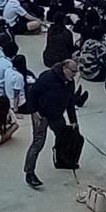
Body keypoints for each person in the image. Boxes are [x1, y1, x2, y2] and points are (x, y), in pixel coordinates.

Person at [23, 56, 79, 190]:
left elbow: (70, 102)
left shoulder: (70, 82)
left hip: (56, 115)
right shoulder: (47, 77)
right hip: (41, 115)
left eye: (76, 72)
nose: (75, 75)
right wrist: (34, 111)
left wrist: (73, 121)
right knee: (38, 142)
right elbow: (32, 93)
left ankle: (61, 160)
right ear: (64, 68)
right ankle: (29, 173)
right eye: (73, 71)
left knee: (64, 136)